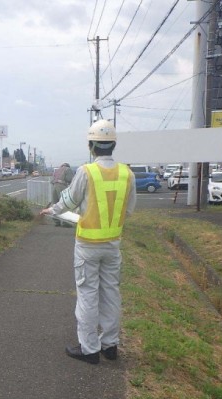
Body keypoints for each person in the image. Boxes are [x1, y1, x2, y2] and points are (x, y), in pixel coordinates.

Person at [40, 119, 136, 364]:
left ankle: (89, 349)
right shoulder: (127, 173)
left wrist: (53, 209)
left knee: (87, 295)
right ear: (113, 144)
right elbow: (129, 209)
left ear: (92, 146)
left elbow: (70, 201)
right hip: (113, 244)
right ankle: (110, 345)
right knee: (111, 293)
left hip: (87, 245)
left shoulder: (87, 171)